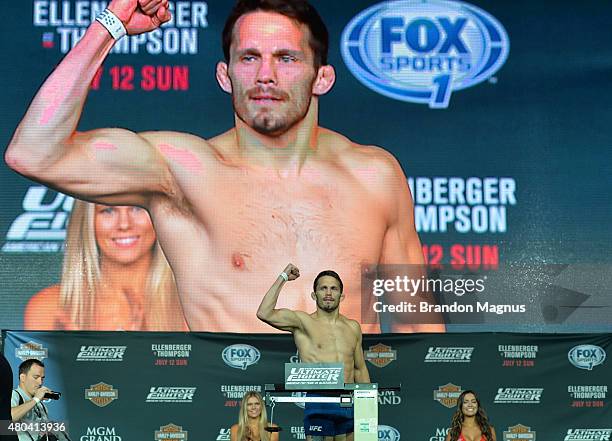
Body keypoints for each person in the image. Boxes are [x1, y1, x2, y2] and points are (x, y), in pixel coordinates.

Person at [5, 0, 444, 333]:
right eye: (249, 58)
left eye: (286, 58)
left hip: (346, 418)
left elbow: (417, 322)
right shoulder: (184, 170)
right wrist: (111, 25)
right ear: (225, 74)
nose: (265, 75)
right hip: (231, 415)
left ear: (322, 78)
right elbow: (33, 152)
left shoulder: (374, 175)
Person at [23, 200, 187, 331]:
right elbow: (31, 371)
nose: (124, 224)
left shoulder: (188, 306)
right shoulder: (48, 307)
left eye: (137, 208)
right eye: (108, 210)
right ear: (86, 221)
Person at [257, 263, 369, 440]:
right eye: (323, 288)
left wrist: (367, 409)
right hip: (319, 401)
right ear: (313, 294)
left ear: (342, 295)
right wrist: (283, 277)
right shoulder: (302, 322)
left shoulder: (353, 327)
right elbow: (264, 313)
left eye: (334, 288)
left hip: (348, 401)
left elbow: (359, 369)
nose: (329, 293)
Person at [11, 359, 70, 441]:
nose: (40, 382)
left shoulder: (40, 404)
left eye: (42, 378)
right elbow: (10, 417)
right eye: (36, 377)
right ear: (23, 377)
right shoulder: (14, 395)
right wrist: (36, 398)